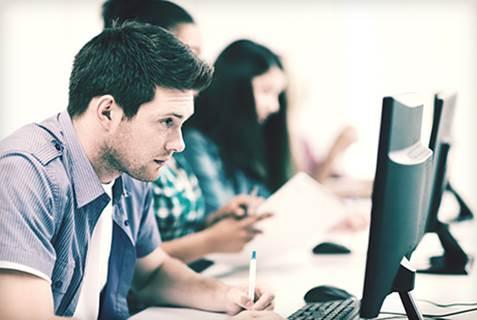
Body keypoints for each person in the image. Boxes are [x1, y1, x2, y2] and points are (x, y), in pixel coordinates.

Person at [0, 22, 283, 320]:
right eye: (167, 122)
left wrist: (227, 296)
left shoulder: (131, 169)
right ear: (108, 111)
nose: (179, 144)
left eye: (182, 124)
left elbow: (153, 273)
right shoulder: (23, 175)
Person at [102, 0, 271, 264]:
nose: (198, 66)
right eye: (190, 53)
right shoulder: (128, 153)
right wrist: (210, 240)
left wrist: (215, 221)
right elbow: (131, 264)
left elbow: (162, 237)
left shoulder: (171, 139)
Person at [184, 39, 291, 213]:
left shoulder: (247, 140)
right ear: (235, 90)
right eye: (266, 91)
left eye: (277, 95)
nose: (275, 107)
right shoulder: (195, 142)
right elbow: (221, 213)